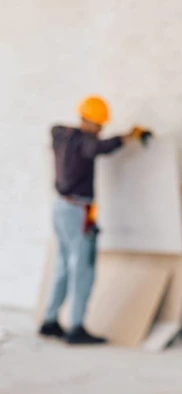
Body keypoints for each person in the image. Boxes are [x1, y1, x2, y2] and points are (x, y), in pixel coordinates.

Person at [39, 96, 147, 344]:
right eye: (99, 126)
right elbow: (97, 147)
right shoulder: (85, 143)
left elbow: (62, 131)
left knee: (63, 265)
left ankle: (50, 320)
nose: (100, 131)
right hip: (78, 210)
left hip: (61, 208)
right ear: (90, 122)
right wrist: (126, 137)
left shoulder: (62, 135)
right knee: (82, 269)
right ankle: (76, 328)